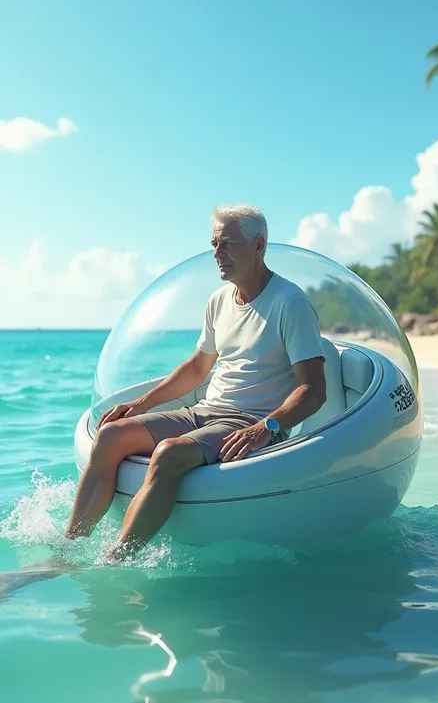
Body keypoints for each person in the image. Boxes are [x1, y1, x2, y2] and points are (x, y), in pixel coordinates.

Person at [1, 204, 327, 593]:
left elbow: (313, 389)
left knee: (170, 453)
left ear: (258, 246)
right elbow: (195, 369)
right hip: (205, 411)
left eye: (227, 244)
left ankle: (114, 562)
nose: (217, 254)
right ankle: (67, 553)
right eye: (214, 244)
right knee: (111, 436)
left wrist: (266, 427)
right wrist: (142, 404)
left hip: (248, 422)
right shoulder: (219, 301)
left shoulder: (289, 303)